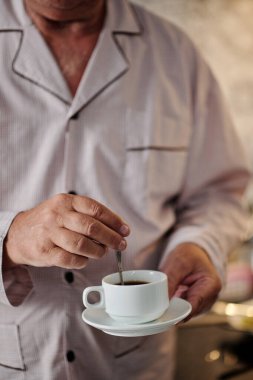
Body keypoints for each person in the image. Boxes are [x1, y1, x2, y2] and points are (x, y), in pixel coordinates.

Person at [0, 0, 250, 379]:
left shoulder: (174, 54)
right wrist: (10, 236)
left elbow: (219, 191)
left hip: (135, 364)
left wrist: (199, 244)